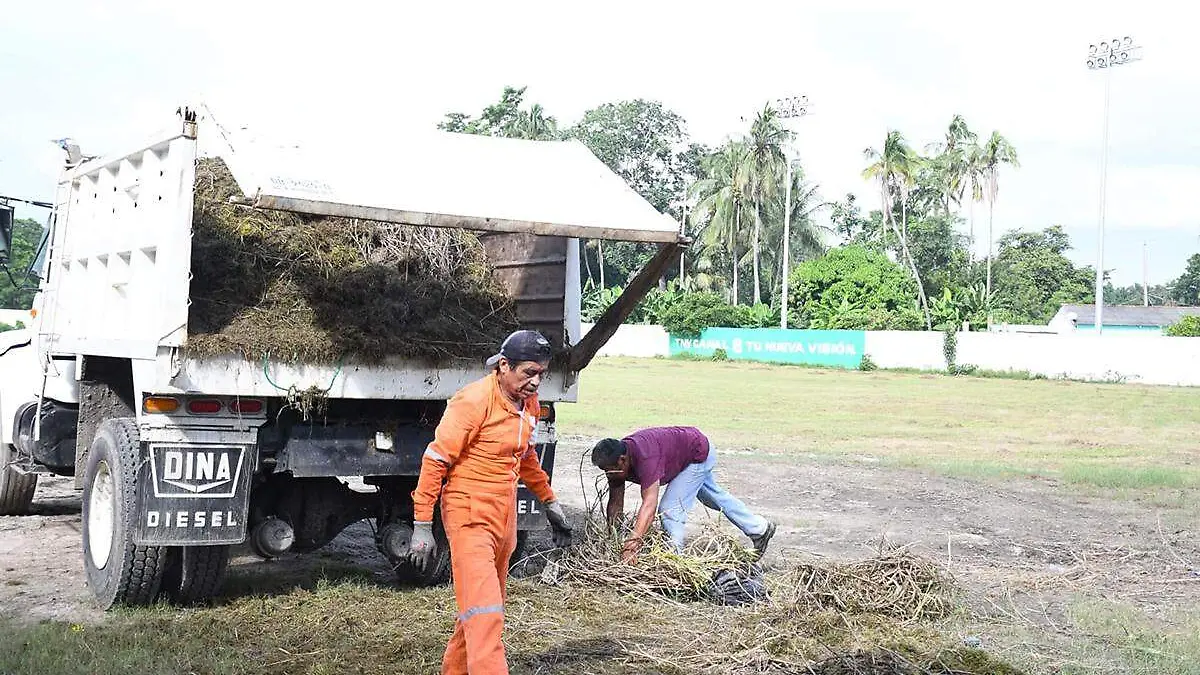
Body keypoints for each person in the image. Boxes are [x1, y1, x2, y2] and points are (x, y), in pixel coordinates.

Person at [408, 329, 573, 675]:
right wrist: (422, 524)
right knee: (485, 616)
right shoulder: (473, 401)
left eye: (542, 373)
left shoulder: (529, 404)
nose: (536, 382)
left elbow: (525, 455)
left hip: (504, 515)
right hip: (469, 513)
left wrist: (549, 501)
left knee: (479, 610)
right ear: (503, 365)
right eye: (529, 372)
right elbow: (435, 459)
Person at [591, 426, 775, 564]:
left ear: (623, 461)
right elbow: (615, 502)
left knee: (670, 510)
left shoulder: (645, 457)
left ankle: (674, 560)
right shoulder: (617, 461)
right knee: (713, 497)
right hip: (682, 456)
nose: (608, 475)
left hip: (696, 453)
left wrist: (631, 545)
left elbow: (649, 506)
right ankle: (760, 528)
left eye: (609, 470)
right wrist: (612, 540)